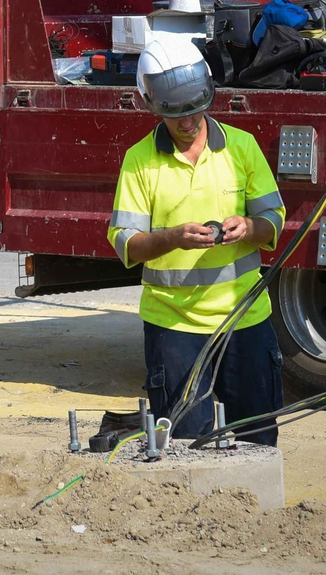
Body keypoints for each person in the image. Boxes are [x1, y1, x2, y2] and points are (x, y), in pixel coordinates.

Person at [107, 33, 286, 446]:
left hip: (244, 319)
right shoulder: (140, 161)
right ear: (151, 105)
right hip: (174, 327)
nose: (188, 123)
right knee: (186, 443)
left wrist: (250, 227)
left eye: (196, 111)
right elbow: (126, 244)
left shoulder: (242, 147)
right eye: (176, 115)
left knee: (257, 437)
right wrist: (171, 238)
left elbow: (274, 220)